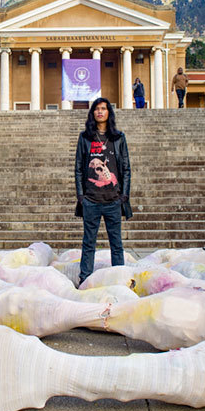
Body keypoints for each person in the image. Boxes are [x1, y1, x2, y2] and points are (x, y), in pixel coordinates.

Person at [74, 98, 132, 285]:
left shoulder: (118, 138)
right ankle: (84, 279)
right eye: (96, 109)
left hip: (113, 199)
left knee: (116, 244)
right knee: (88, 243)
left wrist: (124, 195)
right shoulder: (85, 138)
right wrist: (81, 196)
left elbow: (126, 168)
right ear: (92, 113)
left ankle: (119, 281)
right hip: (91, 200)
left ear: (109, 113)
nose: (100, 112)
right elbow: (78, 168)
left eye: (103, 109)